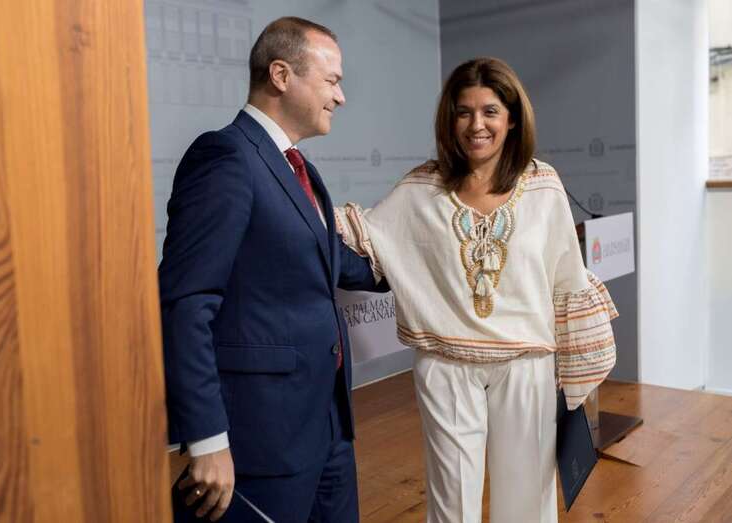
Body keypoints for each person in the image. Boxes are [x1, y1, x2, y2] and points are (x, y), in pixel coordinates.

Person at [334, 57, 618, 522]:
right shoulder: (422, 187)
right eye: (463, 112)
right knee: (450, 503)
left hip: (526, 363)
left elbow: (568, 277)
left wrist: (575, 373)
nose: (476, 124)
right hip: (445, 365)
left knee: (528, 500)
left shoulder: (543, 185)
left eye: (489, 110)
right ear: (450, 119)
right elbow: (364, 234)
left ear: (511, 117)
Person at [158, 17, 384, 523]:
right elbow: (187, 302)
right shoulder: (226, 157)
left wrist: (429, 259)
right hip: (256, 442)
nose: (341, 97)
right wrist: (208, 439)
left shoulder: (297, 166)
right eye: (332, 81)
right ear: (282, 75)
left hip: (326, 426)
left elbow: (334, 265)